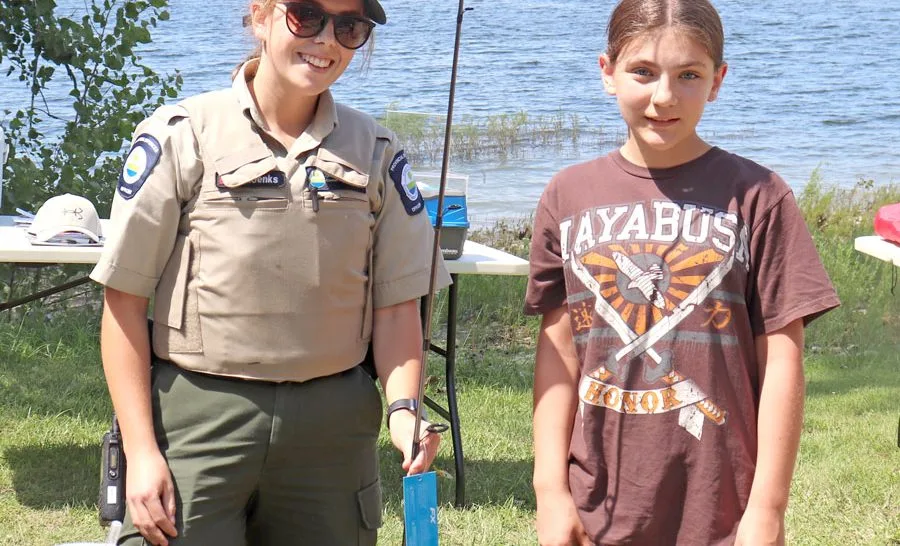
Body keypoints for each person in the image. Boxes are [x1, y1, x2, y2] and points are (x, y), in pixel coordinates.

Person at [90, 0, 450, 544]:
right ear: (261, 16)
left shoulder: (376, 151)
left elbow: (398, 307)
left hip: (330, 431)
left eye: (350, 26)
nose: (326, 40)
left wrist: (403, 410)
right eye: (306, 16)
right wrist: (141, 451)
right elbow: (124, 301)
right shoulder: (184, 134)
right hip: (197, 417)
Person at [524, 1, 840, 544]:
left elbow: (782, 361)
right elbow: (559, 355)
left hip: (723, 506)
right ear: (607, 72)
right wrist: (549, 490)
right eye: (643, 72)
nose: (664, 96)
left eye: (688, 75)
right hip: (598, 501)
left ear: (718, 81)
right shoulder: (567, 194)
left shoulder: (759, 196)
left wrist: (768, 508)